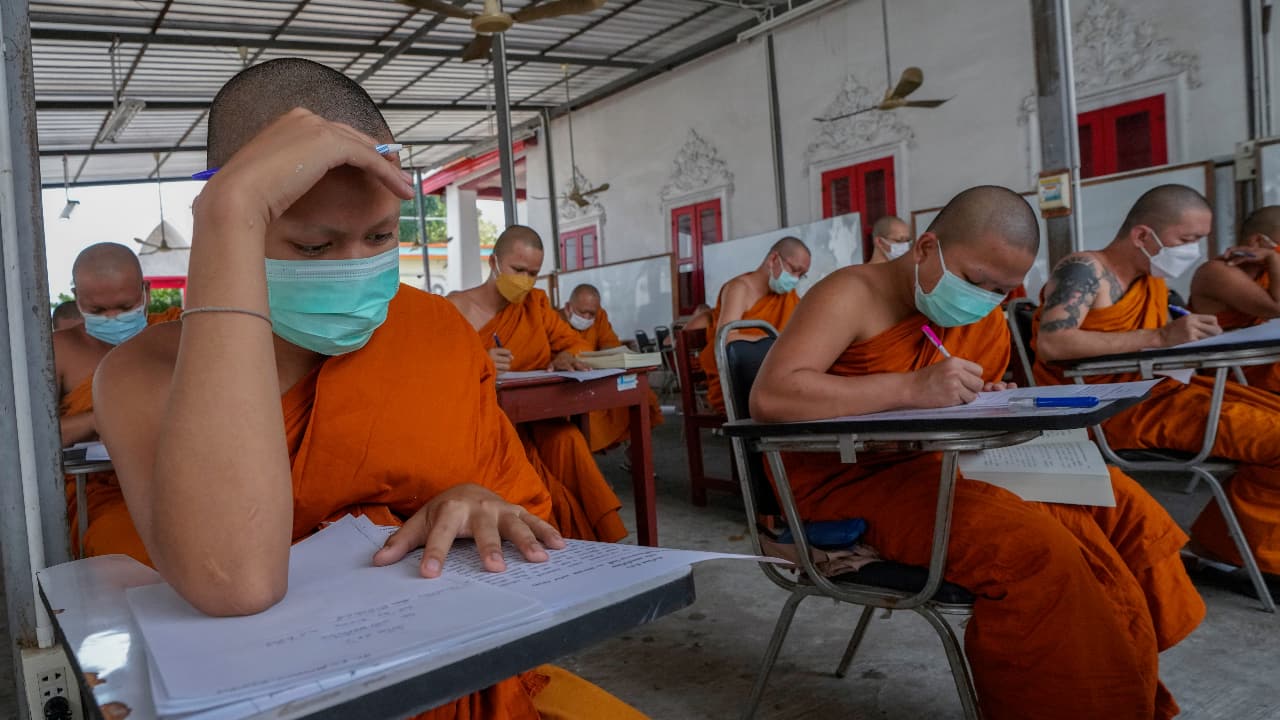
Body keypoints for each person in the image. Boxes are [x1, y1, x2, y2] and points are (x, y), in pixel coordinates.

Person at [92, 58, 644, 719]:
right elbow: (232, 582)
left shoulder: (433, 328)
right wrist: (228, 209)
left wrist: (477, 506)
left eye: (381, 236)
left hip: (459, 677)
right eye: (316, 247)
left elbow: (527, 523)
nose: (356, 268)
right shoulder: (144, 372)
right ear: (231, 228)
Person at [751, 186, 1203, 720]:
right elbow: (771, 396)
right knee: (1036, 552)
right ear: (925, 249)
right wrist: (910, 388)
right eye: (973, 280)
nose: (983, 298)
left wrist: (974, 395)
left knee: (1118, 500)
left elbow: (953, 385)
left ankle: (1125, 685)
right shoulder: (849, 293)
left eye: (1001, 290)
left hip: (942, 459)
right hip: (848, 480)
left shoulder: (977, 315)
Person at [1033, 184, 1280, 579]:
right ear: (1143, 236)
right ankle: (1235, 554)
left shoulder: (1152, 282)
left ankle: (1229, 546)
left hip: (1161, 391)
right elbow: (1053, 342)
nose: (1193, 251)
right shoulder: (1084, 268)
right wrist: (1163, 337)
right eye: (1186, 240)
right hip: (1108, 406)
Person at [448, 227, 627, 543]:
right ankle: (558, 537)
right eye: (518, 270)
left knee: (569, 439)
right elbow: (438, 372)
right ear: (494, 262)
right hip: (488, 428)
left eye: (533, 273)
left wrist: (565, 355)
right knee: (530, 472)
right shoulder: (456, 307)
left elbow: (577, 344)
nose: (525, 281)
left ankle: (606, 539)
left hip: (538, 419)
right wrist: (482, 362)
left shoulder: (536, 305)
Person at [53, 243, 181, 555]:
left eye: (125, 307)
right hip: (101, 495)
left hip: (177, 481)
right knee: (131, 549)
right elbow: (26, 441)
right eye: (97, 311)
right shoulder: (58, 351)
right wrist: (99, 419)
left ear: (145, 292)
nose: (112, 318)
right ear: (78, 298)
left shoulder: (174, 334)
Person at [698, 236, 811, 413]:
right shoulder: (740, 288)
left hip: (775, 372)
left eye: (801, 275)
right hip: (739, 377)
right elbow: (725, 337)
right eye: (794, 270)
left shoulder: (787, 298)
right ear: (773, 259)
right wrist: (776, 341)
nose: (795, 279)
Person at [561, 283, 664, 452]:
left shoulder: (599, 317)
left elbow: (609, 343)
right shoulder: (554, 319)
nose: (586, 317)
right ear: (568, 307)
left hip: (599, 376)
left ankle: (635, 453)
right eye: (581, 312)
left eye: (591, 313)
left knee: (645, 397)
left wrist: (613, 356)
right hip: (573, 384)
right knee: (589, 414)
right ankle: (584, 461)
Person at [1188, 205, 1280, 391]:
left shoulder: (1270, 274)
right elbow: (1277, 308)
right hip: (1232, 367)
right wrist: (1273, 258)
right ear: (1258, 241)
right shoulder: (1217, 271)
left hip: (1262, 357)